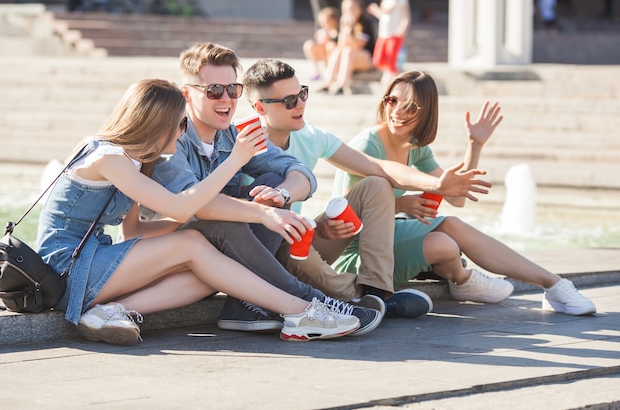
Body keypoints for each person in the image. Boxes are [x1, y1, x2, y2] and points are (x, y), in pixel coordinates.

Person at [34, 79, 360, 346]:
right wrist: (235, 160)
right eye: (181, 123)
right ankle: (300, 311)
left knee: (209, 270)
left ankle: (111, 311)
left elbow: (134, 233)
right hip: (66, 269)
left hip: (96, 260)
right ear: (157, 122)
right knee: (193, 245)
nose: (184, 131)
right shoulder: (107, 157)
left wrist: (203, 232)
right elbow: (180, 207)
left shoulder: (135, 160)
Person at [147, 42, 383, 335]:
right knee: (225, 222)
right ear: (187, 93)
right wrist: (261, 212)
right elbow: (197, 207)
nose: (226, 99)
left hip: (219, 262)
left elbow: (300, 173)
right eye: (213, 91)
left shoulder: (232, 135)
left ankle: (244, 305)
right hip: (164, 257)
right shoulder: (172, 138)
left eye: (233, 90)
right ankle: (314, 302)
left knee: (271, 184)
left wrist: (281, 196)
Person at [242, 59, 494, 318]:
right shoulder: (239, 140)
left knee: (376, 183)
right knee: (294, 245)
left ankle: (377, 292)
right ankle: (357, 299)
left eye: (302, 94)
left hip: (299, 234)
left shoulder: (312, 136)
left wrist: (437, 184)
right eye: (289, 101)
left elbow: (378, 167)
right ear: (260, 107)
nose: (300, 105)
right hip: (261, 249)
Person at [332, 70, 597, 316]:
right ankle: (553, 284)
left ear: (426, 113)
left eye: (410, 106)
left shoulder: (415, 148)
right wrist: (402, 204)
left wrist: (475, 145)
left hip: (387, 239)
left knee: (445, 244)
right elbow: (348, 217)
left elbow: (456, 198)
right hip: (361, 255)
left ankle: (464, 280)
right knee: (451, 227)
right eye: (392, 101)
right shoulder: (368, 143)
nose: (397, 111)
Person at [320, 0, 376, 95]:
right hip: (349, 56)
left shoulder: (365, 23)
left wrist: (349, 30)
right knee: (338, 50)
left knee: (348, 51)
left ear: (359, 9)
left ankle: (342, 85)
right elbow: (341, 45)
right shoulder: (343, 22)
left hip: (366, 58)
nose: (349, 12)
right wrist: (345, 29)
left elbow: (358, 46)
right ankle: (327, 84)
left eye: (352, 8)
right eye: (346, 9)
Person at [366, 0, 411, 86]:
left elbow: (406, 16)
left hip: (395, 33)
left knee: (392, 58)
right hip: (383, 33)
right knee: (378, 59)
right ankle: (388, 73)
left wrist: (403, 29)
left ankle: (392, 77)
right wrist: (374, 10)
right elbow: (383, 15)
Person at [302, 6, 340, 81]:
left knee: (331, 46)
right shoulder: (322, 31)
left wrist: (330, 37)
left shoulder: (338, 32)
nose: (323, 25)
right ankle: (317, 72)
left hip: (334, 56)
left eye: (326, 22)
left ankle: (331, 72)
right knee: (309, 45)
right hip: (324, 54)